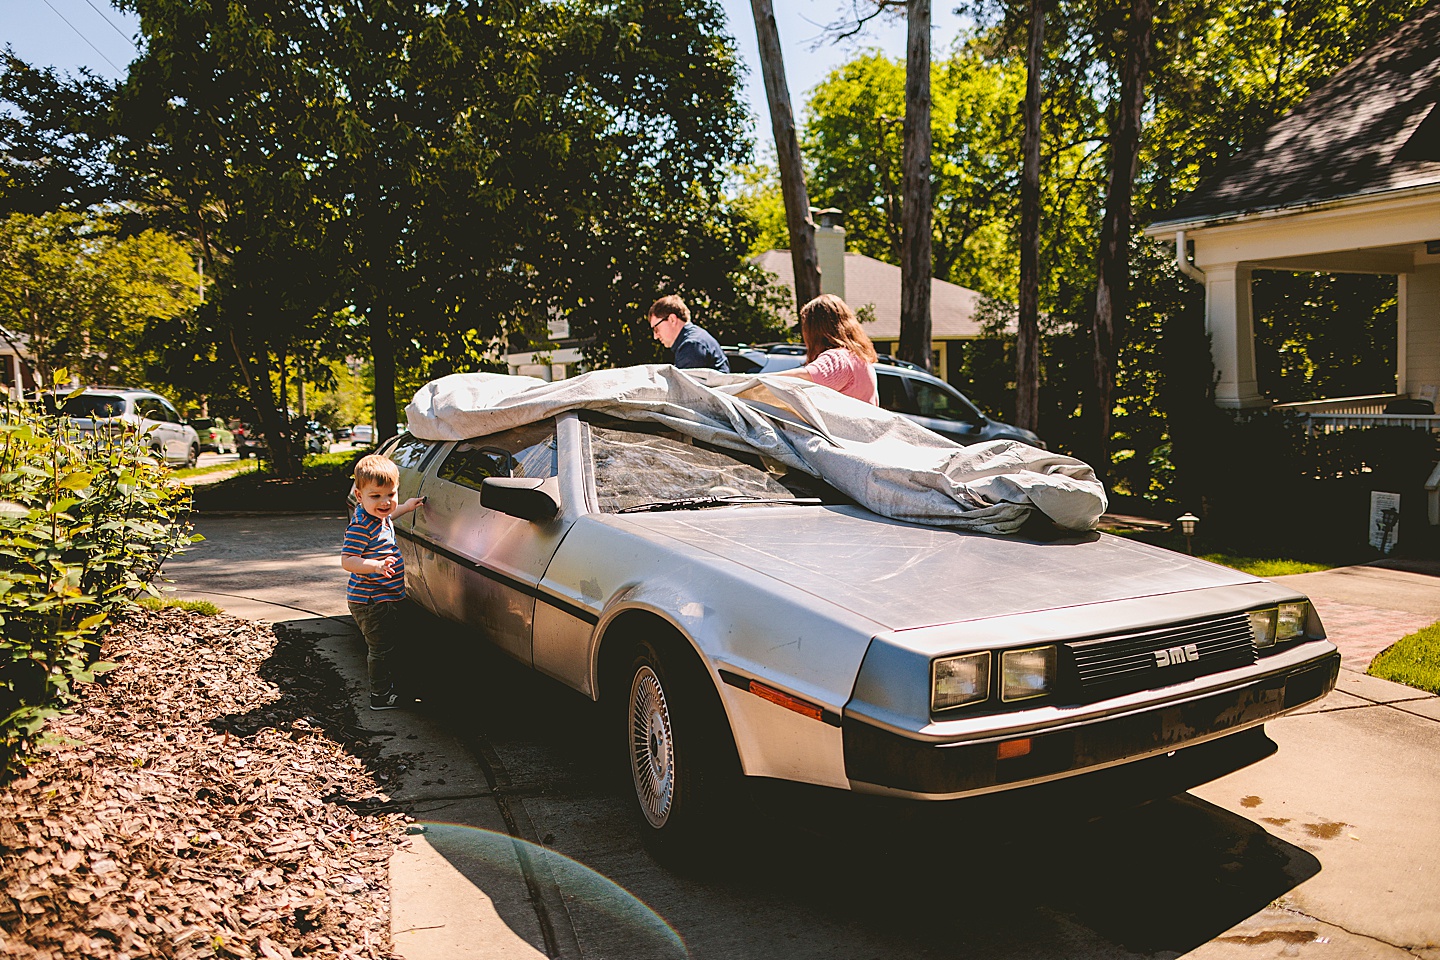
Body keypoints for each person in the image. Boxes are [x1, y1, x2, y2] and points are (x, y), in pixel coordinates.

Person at [341, 454, 425, 710]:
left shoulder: (379, 515)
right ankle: (380, 696)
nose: (385, 502)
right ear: (359, 496)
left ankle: (392, 686)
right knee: (380, 649)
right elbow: (348, 560)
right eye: (376, 496)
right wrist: (375, 566)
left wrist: (407, 507)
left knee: (391, 644)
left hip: (384, 596)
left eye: (391, 494)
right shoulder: (360, 527)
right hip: (371, 601)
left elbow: (389, 514)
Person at [775, 293, 879, 405]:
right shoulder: (861, 360)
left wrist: (756, 380)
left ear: (814, 330)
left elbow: (803, 376)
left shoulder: (838, 359)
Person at [648, 295, 730, 372]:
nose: (655, 336)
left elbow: (683, 386)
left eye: (656, 328)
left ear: (672, 319)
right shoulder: (694, 339)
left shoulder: (691, 345)